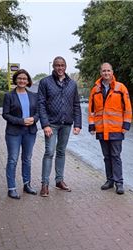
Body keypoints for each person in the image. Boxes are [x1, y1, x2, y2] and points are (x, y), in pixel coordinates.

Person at [38, 56, 82, 197]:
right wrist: (45, 124)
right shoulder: (45, 82)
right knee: (49, 152)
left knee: (61, 152)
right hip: (51, 124)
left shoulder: (72, 84)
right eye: (57, 65)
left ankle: (59, 181)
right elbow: (41, 104)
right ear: (54, 67)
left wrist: (78, 124)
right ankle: (44, 184)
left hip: (66, 124)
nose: (60, 68)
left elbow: (76, 104)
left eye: (62, 65)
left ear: (66, 66)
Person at [88, 63, 133, 195]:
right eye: (103, 71)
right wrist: (92, 126)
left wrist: (126, 125)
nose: (106, 73)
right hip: (102, 129)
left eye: (108, 70)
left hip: (116, 129)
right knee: (106, 157)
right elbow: (91, 110)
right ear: (100, 73)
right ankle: (110, 180)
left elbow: (127, 108)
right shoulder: (95, 90)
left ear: (112, 72)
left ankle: (119, 183)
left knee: (115, 156)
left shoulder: (120, 88)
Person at [2, 69, 39, 200]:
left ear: (28, 81)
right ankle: (11, 188)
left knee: (27, 159)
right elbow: (5, 114)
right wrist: (21, 121)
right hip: (14, 132)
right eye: (19, 78)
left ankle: (26, 184)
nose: (22, 81)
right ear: (16, 80)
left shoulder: (34, 96)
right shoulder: (9, 96)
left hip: (30, 132)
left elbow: (38, 112)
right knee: (13, 159)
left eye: (24, 79)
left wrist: (34, 119)